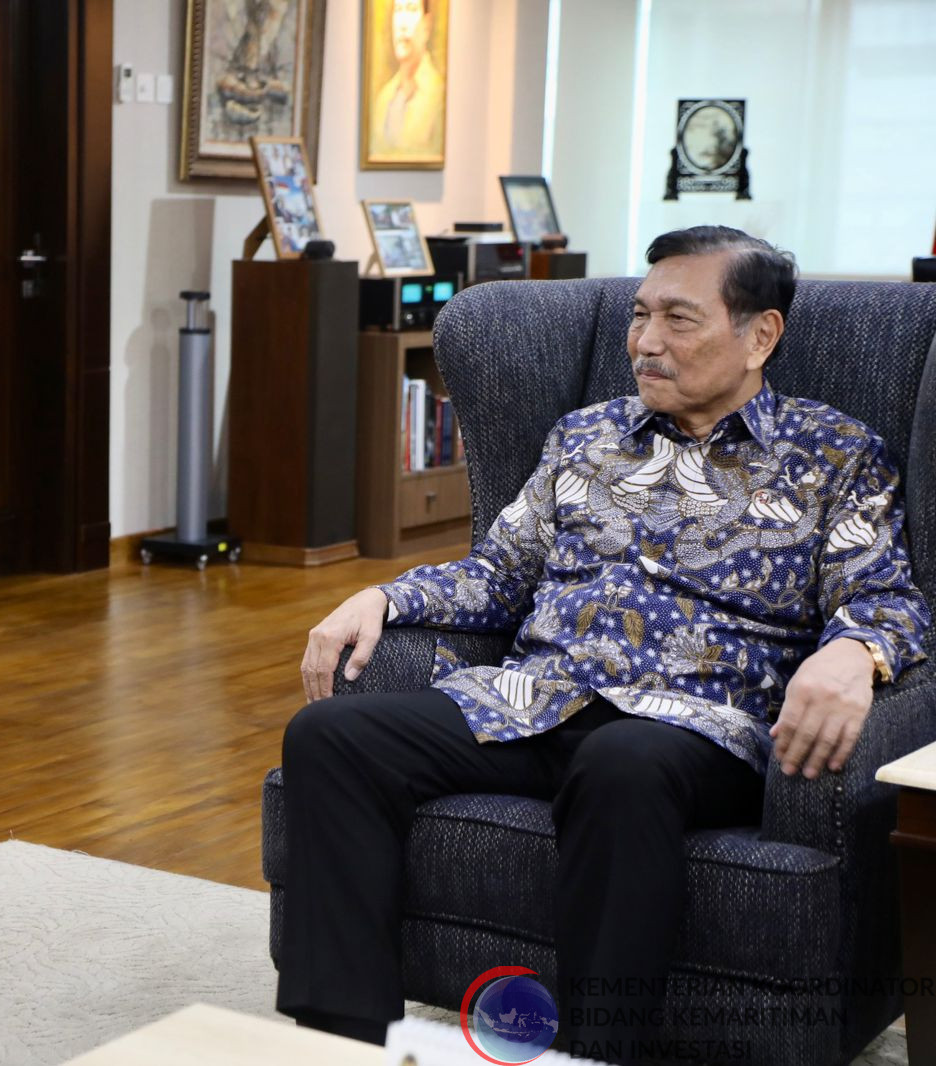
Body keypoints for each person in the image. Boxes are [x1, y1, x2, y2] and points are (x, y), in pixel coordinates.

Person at [275, 225, 929, 1063]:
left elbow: (888, 603)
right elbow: (501, 572)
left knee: (621, 761)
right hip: (540, 700)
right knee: (330, 735)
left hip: (695, 728)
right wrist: (381, 594)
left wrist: (853, 655)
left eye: (679, 321)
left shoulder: (835, 454)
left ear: (760, 334)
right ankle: (344, 1044)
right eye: (638, 315)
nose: (646, 343)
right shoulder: (586, 437)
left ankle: (594, 1054)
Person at [369, 0, 445, 162]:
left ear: (426, 25)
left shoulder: (438, 94)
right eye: (398, 11)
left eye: (411, 10)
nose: (402, 24)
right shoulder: (383, 99)